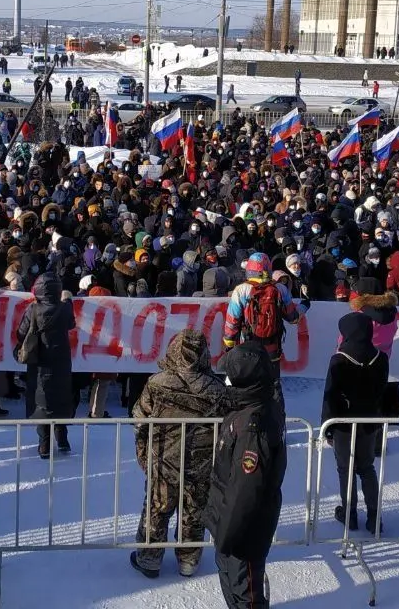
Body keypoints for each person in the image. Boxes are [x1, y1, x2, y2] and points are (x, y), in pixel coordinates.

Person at [129, 329, 227, 580]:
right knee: (194, 511)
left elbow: (139, 417)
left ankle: (149, 559)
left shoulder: (157, 382)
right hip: (201, 462)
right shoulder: (216, 388)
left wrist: (142, 449)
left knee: (157, 508)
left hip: (163, 460)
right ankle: (189, 560)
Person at [204, 342, 286, 609]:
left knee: (246, 595)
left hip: (242, 535)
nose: (225, 381)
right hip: (228, 525)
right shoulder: (245, 407)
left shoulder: (254, 425)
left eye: (230, 377)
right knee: (232, 585)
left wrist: (227, 535)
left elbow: (245, 491)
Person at [322, 311, 389, 532]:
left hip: (343, 424)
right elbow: (381, 392)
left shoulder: (339, 359)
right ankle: (374, 518)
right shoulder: (381, 358)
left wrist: (327, 427)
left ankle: (349, 514)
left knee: (345, 469)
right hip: (369, 421)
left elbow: (330, 395)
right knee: (367, 468)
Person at [14, 268, 76, 457]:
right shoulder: (65, 308)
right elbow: (71, 324)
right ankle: (63, 439)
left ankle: (44, 445)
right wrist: (68, 300)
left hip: (39, 362)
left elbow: (21, 333)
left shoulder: (33, 309)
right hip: (62, 363)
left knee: (42, 402)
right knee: (61, 399)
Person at [222, 252, 303, 375]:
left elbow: (232, 321)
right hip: (273, 348)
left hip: (248, 348)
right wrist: (304, 307)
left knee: (249, 383)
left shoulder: (241, 290)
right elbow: (293, 318)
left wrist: (229, 342)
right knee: (273, 383)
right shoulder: (280, 288)